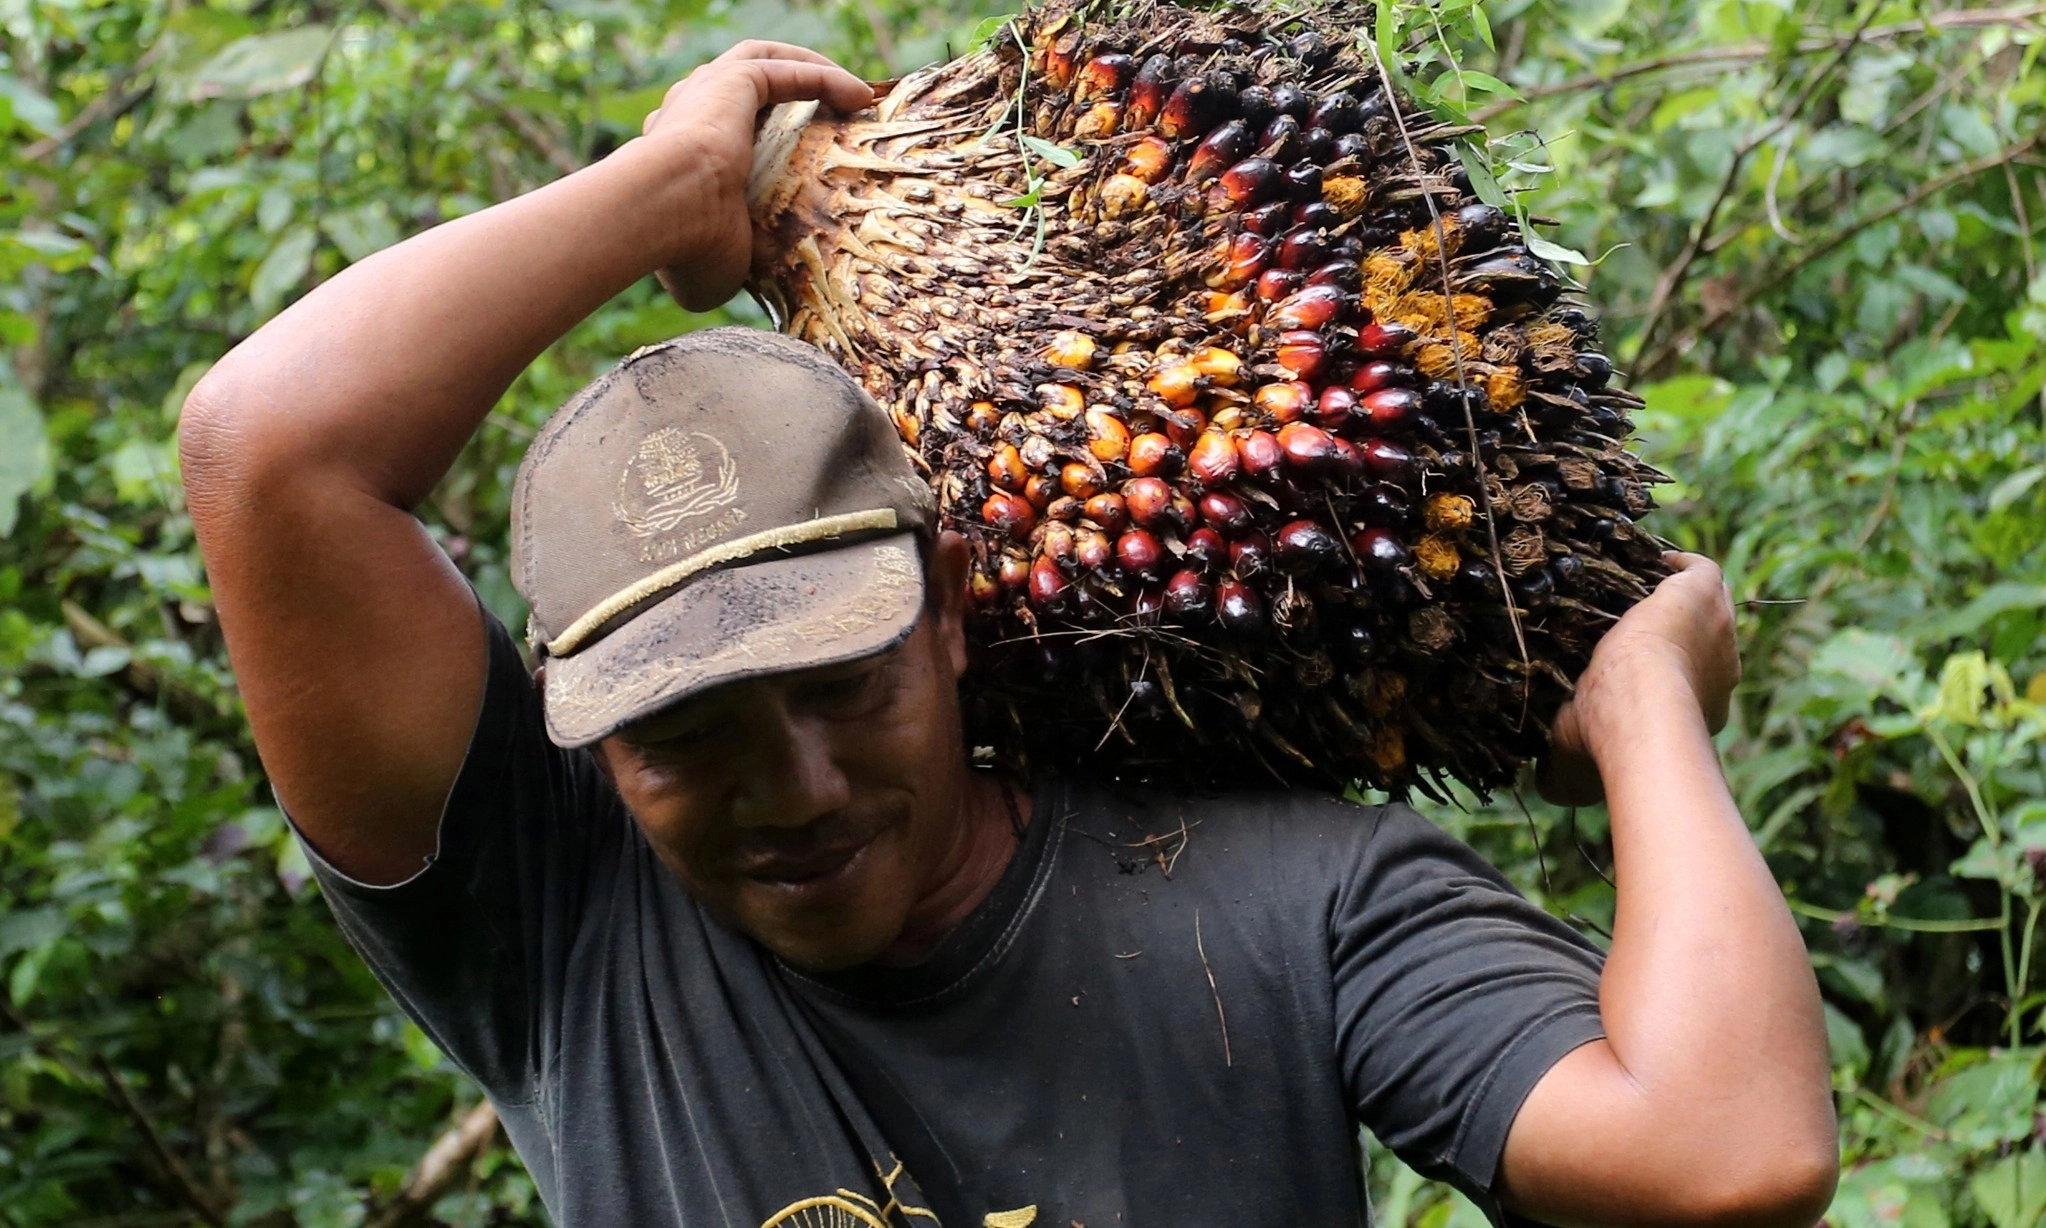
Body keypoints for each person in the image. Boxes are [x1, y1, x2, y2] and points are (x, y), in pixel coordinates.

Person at [178, 39, 1839, 1228]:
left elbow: (1724, 1159)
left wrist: (1639, 718)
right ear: (590, 740)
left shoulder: (1291, 897)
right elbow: (266, 453)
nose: (800, 788)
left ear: (949, 609)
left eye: (839, 683)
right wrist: (670, 190)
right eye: (689, 737)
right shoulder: (556, 919)